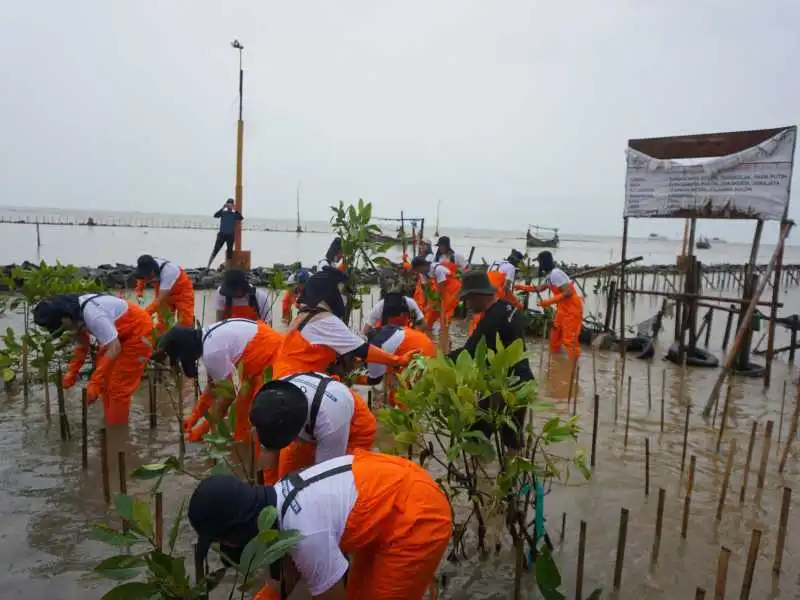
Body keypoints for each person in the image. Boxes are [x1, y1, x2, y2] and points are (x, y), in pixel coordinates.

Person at [188, 451, 452, 600]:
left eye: (223, 540)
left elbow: (330, 596)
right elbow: (287, 579)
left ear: (237, 532)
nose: (226, 547)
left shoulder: (305, 535)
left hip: (417, 514)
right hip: (391, 489)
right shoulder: (279, 495)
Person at [271, 268, 416, 379]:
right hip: (298, 380)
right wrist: (398, 360)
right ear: (329, 292)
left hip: (287, 378)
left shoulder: (304, 315)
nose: (343, 299)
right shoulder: (324, 319)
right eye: (340, 292)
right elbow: (363, 350)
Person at [33, 293, 154, 426]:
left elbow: (114, 348)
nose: (65, 329)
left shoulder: (93, 315)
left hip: (138, 332)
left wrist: (95, 381)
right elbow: (83, 346)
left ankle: (117, 434)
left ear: (65, 316)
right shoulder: (75, 313)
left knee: (118, 389)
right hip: (117, 336)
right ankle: (110, 423)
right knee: (106, 384)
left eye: (61, 325)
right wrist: (72, 372)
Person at [158, 317, 284, 442]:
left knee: (253, 409)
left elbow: (226, 397)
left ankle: (249, 447)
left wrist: (201, 430)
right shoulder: (207, 338)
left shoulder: (212, 353)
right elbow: (213, 387)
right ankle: (244, 445)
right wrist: (195, 416)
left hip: (271, 352)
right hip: (263, 345)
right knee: (244, 408)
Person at [449, 271, 534, 451]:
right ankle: (515, 474)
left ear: (479, 295)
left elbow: (469, 353)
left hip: (505, 385)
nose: (468, 305)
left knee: (475, 433)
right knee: (512, 439)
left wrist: (437, 360)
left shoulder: (491, 320)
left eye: (469, 299)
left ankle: (477, 473)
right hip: (523, 382)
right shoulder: (508, 307)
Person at [249, 372, 377, 481]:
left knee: (337, 481)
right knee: (285, 476)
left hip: (354, 430)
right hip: (312, 423)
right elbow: (268, 455)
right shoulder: (273, 396)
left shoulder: (330, 421)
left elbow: (324, 476)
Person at [522, 251, 583, 359]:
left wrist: (549, 302)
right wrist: (522, 287)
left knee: (569, 341)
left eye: (539, 262)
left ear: (544, 262)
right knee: (554, 338)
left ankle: (573, 367)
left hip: (572, 309)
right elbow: (540, 288)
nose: (538, 265)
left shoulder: (556, 274)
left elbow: (568, 292)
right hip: (562, 309)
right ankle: (555, 363)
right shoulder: (549, 276)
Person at [468, 250, 526, 335]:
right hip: (495, 295)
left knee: (480, 317)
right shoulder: (511, 267)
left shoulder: (496, 262)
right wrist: (515, 302)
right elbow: (506, 288)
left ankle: (473, 334)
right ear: (517, 263)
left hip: (484, 291)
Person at [134, 255, 195, 331]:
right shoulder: (147, 264)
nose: (147, 280)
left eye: (149, 277)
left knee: (185, 321)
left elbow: (160, 299)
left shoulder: (169, 271)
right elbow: (141, 278)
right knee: (164, 322)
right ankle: (163, 341)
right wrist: (139, 291)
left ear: (153, 271)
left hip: (182, 291)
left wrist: (145, 314)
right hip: (162, 289)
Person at [410, 256, 461, 332]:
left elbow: (441, 288)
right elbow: (427, 289)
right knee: (431, 310)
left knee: (445, 309)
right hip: (439, 287)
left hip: (452, 288)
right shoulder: (422, 273)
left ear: (422, 266)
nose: (417, 272)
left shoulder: (438, 269)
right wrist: (430, 302)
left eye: (417, 269)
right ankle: (428, 329)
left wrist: (437, 301)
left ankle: (444, 331)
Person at [208, 198, 243, 268]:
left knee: (229, 252)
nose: (229, 206)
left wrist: (235, 209)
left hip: (230, 235)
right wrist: (223, 208)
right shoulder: (223, 213)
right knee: (216, 250)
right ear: (226, 204)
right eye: (228, 204)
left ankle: (228, 268)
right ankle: (208, 266)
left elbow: (241, 218)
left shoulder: (234, 214)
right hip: (222, 234)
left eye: (231, 204)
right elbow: (215, 215)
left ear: (233, 205)